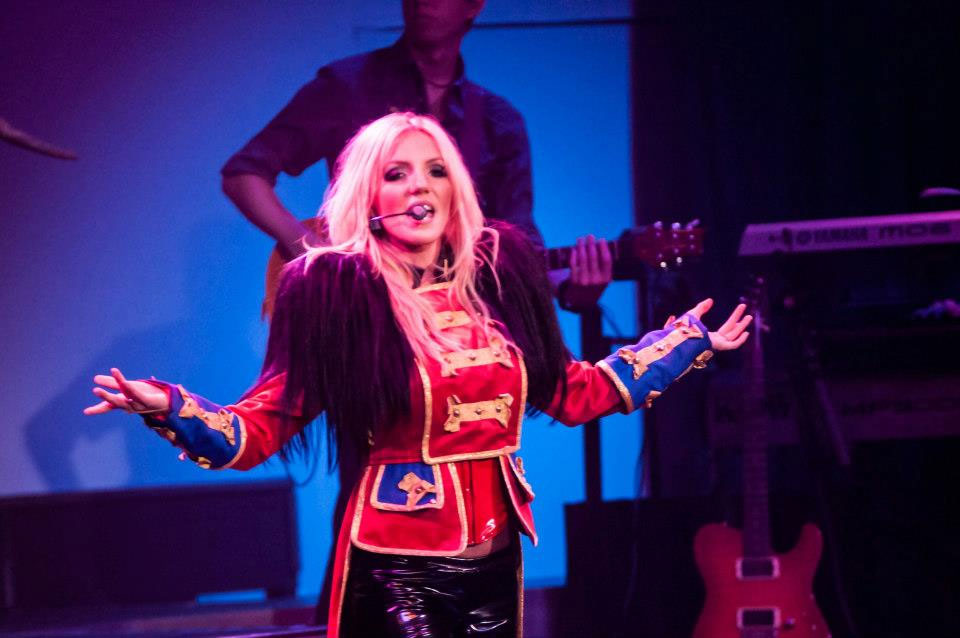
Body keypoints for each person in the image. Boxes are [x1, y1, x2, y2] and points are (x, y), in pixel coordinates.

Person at [86, 113, 750, 637]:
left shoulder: (498, 285)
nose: (419, 187)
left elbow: (577, 394)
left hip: (497, 559)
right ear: (369, 194)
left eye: (435, 171)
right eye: (397, 174)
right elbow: (255, 429)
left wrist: (687, 343)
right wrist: (164, 404)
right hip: (398, 565)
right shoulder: (337, 297)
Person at [221, 0, 611, 311]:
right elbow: (244, 174)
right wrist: (310, 249)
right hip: (361, 313)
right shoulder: (346, 86)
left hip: (456, 326)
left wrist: (571, 289)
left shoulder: (498, 120)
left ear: (474, 4)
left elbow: (517, 245)